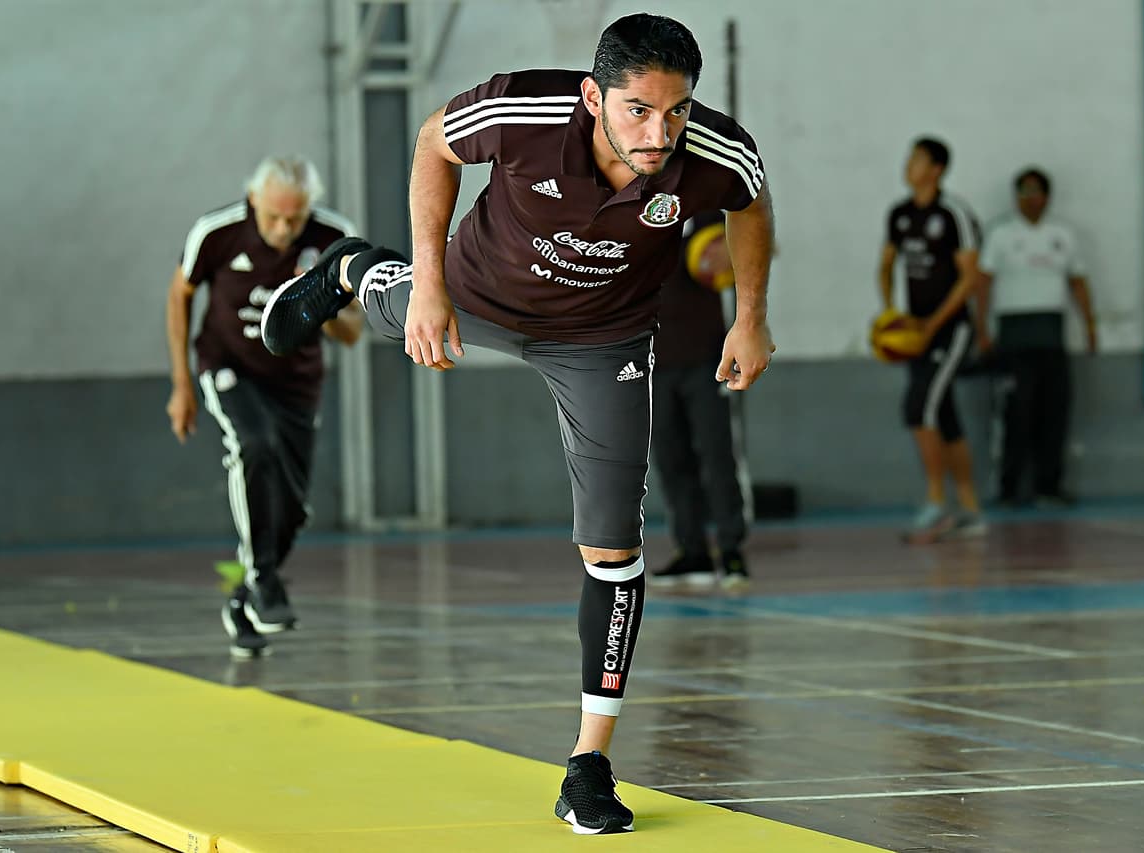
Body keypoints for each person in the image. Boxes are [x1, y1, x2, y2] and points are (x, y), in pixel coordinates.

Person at [260, 14, 775, 834]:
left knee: (615, 548)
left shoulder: (713, 152)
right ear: (593, 97)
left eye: (676, 111)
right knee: (402, 310)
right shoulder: (520, 111)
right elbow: (433, 143)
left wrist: (750, 317)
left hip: (602, 337)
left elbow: (750, 201)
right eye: (638, 110)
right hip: (479, 291)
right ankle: (352, 268)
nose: (659, 132)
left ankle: (588, 764)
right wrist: (430, 284)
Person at [164, 156, 362, 658]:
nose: (282, 229)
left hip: (296, 384)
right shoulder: (217, 233)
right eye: (273, 216)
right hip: (228, 366)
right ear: (254, 201)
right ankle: (263, 581)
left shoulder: (334, 239)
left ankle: (244, 600)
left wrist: (319, 299)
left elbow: (352, 334)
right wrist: (182, 384)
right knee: (254, 443)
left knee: (290, 511)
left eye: (294, 219)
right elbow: (180, 294)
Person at [878, 137, 986, 543]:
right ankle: (971, 510)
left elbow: (970, 279)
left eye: (917, 160)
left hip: (951, 330)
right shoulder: (900, 214)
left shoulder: (954, 213)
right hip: (918, 333)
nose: (908, 166)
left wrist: (932, 324)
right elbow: (886, 265)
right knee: (944, 415)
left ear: (936, 169)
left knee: (919, 408)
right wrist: (892, 313)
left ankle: (937, 502)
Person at [975, 167, 1097, 507]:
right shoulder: (1001, 234)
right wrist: (982, 329)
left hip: (1051, 335)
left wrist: (1090, 326)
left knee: (1054, 413)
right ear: (1016, 197)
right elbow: (983, 284)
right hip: (1014, 335)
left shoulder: (1063, 235)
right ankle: (1010, 488)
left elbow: (1077, 282)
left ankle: (1049, 486)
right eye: (1024, 192)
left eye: (1037, 192)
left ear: (1047, 196)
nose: (1031, 199)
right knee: (1016, 414)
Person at [650, 210, 751, 589]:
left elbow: (746, 247)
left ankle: (731, 550)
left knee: (717, 455)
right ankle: (693, 550)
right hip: (654, 361)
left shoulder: (705, 211)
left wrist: (728, 254)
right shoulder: (633, 214)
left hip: (708, 360)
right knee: (672, 459)